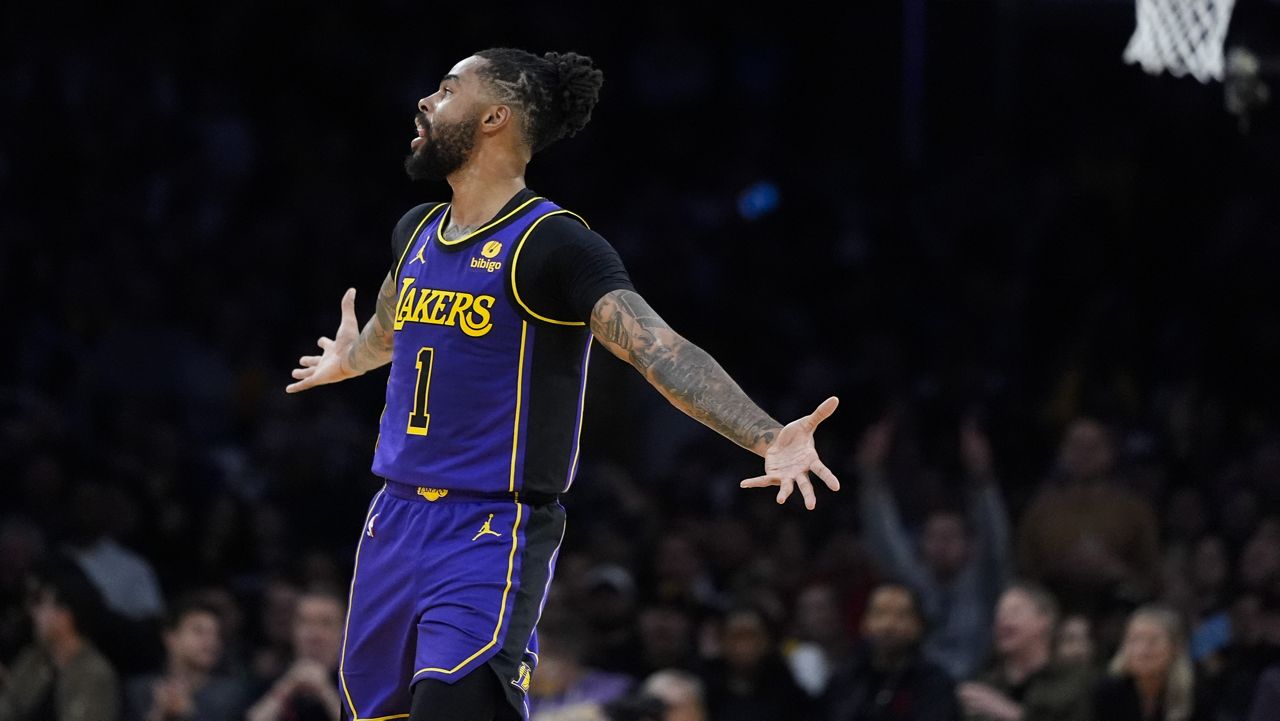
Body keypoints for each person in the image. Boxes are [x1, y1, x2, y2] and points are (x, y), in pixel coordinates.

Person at [284, 47, 841, 721]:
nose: (426, 101)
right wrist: (351, 358)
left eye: (447, 88)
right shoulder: (417, 232)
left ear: (495, 117)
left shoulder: (552, 244)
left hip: (487, 527)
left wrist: (764, 434)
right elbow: (391, 325)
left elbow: (657, 348)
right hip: (392, 521)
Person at [854, 417, 1012, 680]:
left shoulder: (986, 579)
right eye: (934, 537)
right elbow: (885, 541)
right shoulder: (913, 581)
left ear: (968, 544)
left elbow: (993, 536)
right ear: (922, 544)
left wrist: (983, 478)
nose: (942, 545)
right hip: (922, 692)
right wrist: (871, 476)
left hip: (979, 684)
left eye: (951, 537)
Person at [0, 556, 120, 721]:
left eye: (39, 602)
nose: (32, 612)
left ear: (66, 614)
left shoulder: (94, 674)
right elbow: (7, 709)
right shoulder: (33, 660)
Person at [956, 583, 1092, 721]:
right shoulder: (986, 685)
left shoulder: (1073, 683)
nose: (1002, 619)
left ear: (1045, 620)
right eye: (999, 613)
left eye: (1014, 611)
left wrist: (1015, 715)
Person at [824, 583, 958, 721]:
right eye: (879, 614)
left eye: (901, 615)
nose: (888, 625)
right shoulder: (845, 679)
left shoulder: (934, 683)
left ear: (918, 626)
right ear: (864, 623)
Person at [126, 598, 250, 721]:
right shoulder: (140, 691)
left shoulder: (232, 694)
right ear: (170, 637)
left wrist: (188, 714)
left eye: (216, 634)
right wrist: (160, 715)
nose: (211, 641)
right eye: (198, 631)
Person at [245, 589, 346, 721]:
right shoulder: (269, 677)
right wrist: (287, 688)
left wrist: (325, 692)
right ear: (293, 630)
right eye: (305, 622)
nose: (314, 634)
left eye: (325, 623)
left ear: (344, 632)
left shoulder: (357, 684)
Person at [1093, 605, 1199, 721]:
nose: (1142, 650)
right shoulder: (1107, 692)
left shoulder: (1195, 693)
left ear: (1175, 648)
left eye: (1153, 641)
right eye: (1135, 639)